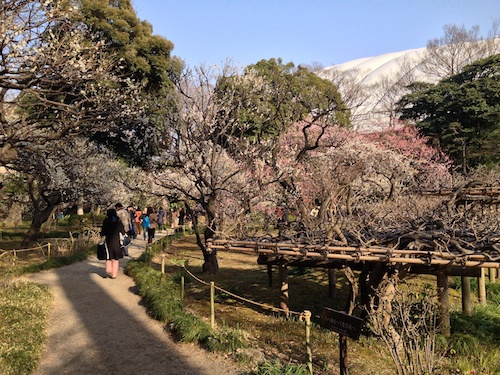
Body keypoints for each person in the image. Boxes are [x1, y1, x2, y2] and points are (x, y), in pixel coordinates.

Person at [100, 208, 125, 279]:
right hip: (116, 242)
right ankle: (114, 274)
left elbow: (103, 232)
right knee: (115, 258)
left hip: (108, 241)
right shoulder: (118, 221)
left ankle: (108, 271)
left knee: (108, 257)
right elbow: (123, 231)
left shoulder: (106, 221)